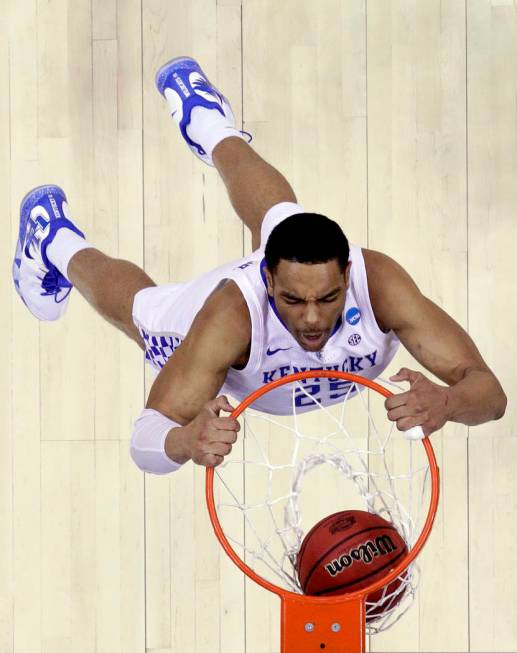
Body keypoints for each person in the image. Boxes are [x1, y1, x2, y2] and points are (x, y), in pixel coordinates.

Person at [12, 57, 507, 475]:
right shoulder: (231, 316)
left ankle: (208, 122)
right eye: (293, 300)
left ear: (346, 274)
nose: (312, 318)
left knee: (284, 217)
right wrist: (185, 441)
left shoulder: (380, 284)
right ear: (267, 278)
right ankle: (53, 240)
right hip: (221, 319)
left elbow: (490, 393)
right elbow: (146, 439)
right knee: (143, 312)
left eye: (328, 297)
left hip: (301, 271)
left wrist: (448, 403)